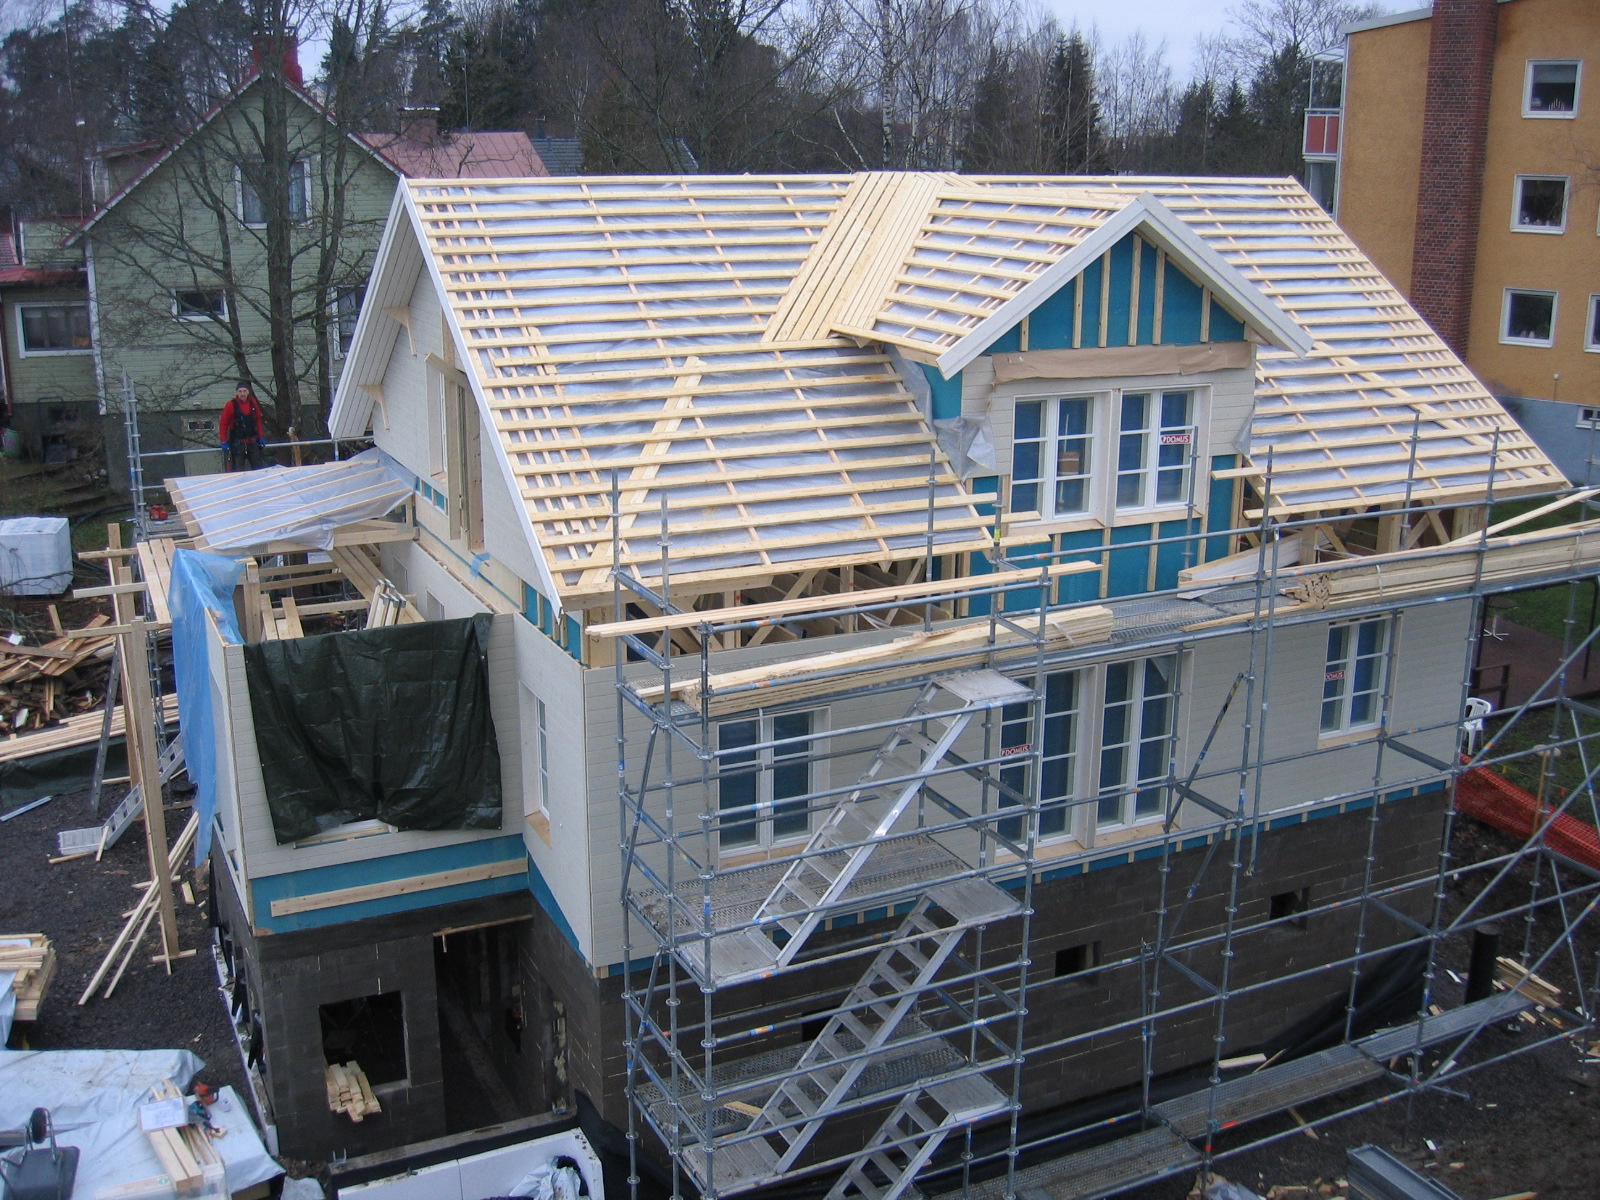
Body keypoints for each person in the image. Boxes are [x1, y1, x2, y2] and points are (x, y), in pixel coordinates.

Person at [219, 383, 268, 471]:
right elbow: (223, 424)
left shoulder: (253, 403)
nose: (242, 393)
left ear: (248, 392)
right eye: (240, 391)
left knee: (258, 469)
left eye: (244, 391)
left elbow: (258, 420)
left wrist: (261, 436)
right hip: (237, 444)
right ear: (237, 393)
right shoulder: (231, 405)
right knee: (238, 470)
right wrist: (224, 441)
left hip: (253, 442)